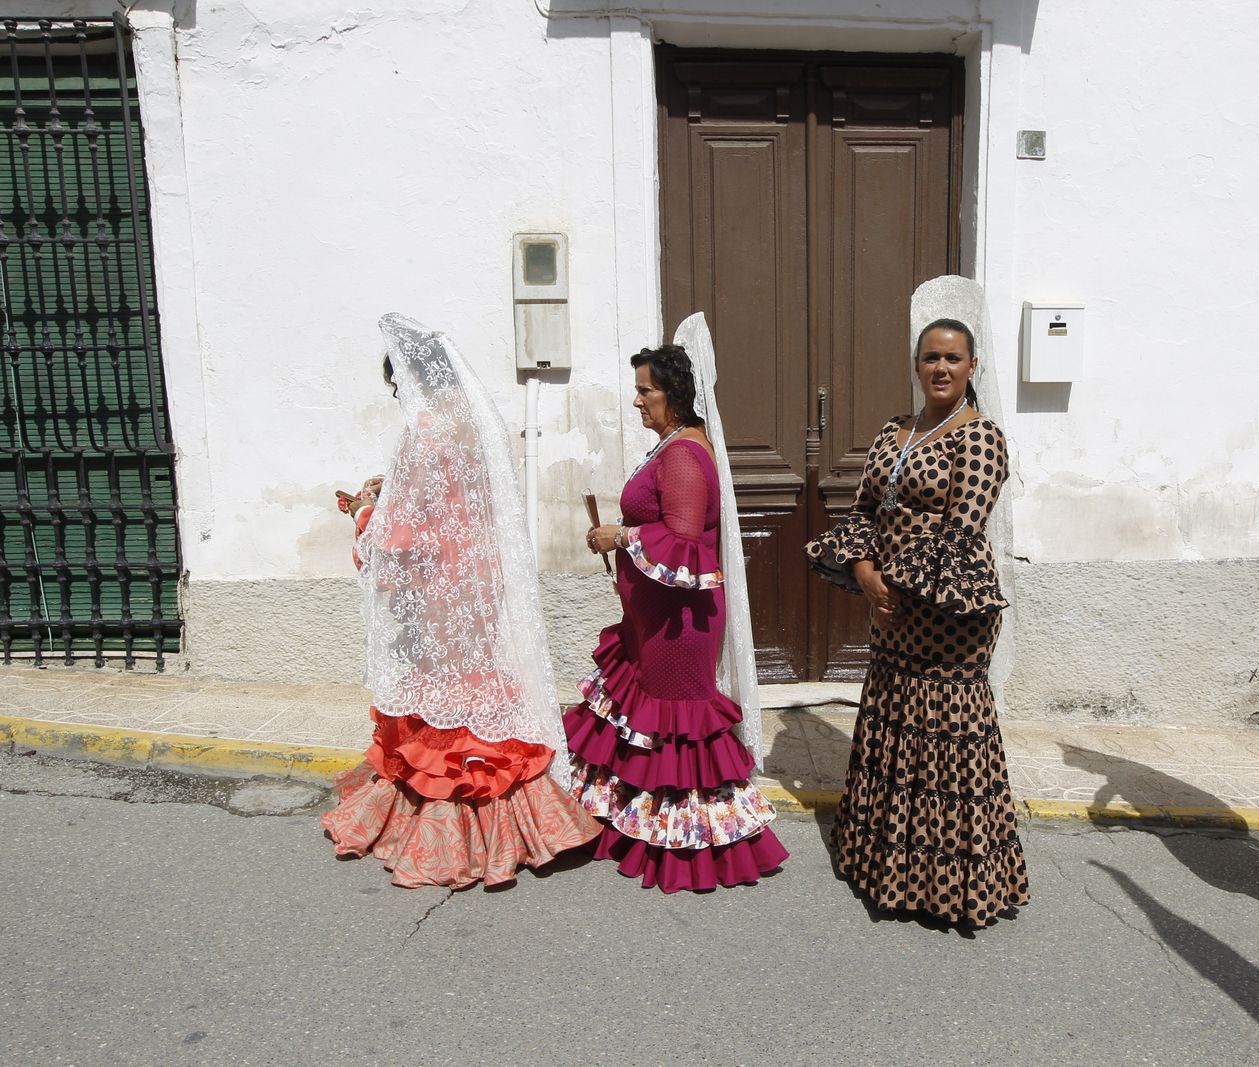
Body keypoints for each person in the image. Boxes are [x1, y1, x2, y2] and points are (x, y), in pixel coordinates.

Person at [322, 313, 600, 888]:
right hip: (477, 577)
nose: (400, 397)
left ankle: (450, 831)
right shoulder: (469, 419)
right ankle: (521, 822)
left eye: (397, 386)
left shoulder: (425, 429)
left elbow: (401, 533)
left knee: (446, 695)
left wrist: (364, 510)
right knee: (478, 686)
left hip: (438, 588)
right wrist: (394, 488)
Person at [803, 276, 1029, 928]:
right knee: (894, 723)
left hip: (947, 608)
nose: (941, 367)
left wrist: (889, 584)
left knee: (946, 734)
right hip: (892, 604)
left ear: (972, 367)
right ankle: (888, 868)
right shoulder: (894, 430)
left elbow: (962, 528)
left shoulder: (979, 437)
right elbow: (865, 510)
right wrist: (866, 573)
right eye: (931, 356)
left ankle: (954, 886)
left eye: (953, 358)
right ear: (917, 364)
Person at [567, 318, 788, 892]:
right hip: (658, 617)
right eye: (638, 389)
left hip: (679, 625)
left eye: (646, 391)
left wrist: (620, 536)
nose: (637, 400)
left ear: (677, 396)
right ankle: (648, 830)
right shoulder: (671, 445)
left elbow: (685, 538)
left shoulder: (686, 455)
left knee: (678, 726)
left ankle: (694, 850)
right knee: (652, 725)